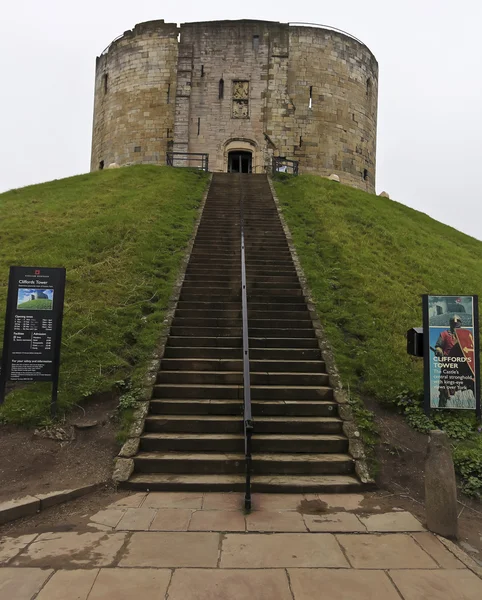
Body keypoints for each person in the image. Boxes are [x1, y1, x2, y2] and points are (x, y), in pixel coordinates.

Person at [434, 315, 475, 407]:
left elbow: (471, 348)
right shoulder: (444, 334)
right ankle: (442, 408)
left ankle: (478, 408)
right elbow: (438, 346)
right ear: (450, 324)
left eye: (457, 322)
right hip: (449, 366)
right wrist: (439, 350)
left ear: (460, 323)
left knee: (473, 383)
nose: (456, 324)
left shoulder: (467, 335)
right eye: (454, 322)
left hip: (464, 366)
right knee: (444, 388)